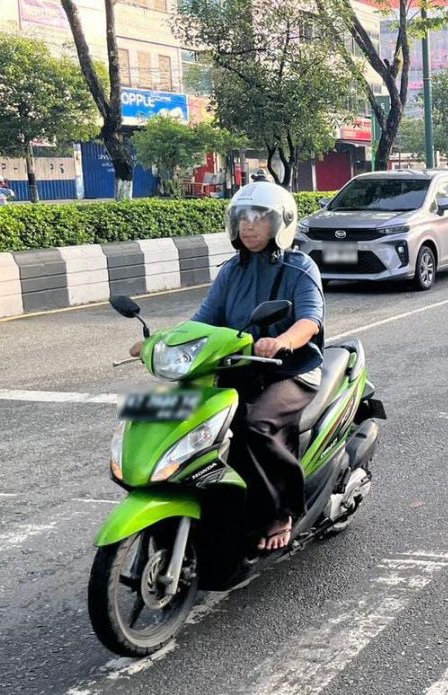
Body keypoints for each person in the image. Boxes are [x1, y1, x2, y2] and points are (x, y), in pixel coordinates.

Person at [130, 183, 324, 552]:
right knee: (162, 411)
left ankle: (280, 510)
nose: (249, 227)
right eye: (242, 219)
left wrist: (282, 341)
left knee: (254, 425)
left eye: (259, 218)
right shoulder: (232, 271)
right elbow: (202, 321)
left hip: (291, 369)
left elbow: (310, 321)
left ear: (281, 223)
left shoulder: (300, 268)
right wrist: (161, 343)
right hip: (240, 366)